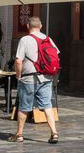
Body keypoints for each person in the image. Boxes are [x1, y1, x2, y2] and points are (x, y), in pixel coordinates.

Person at [12, 16, 60, 144]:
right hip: (46, 78)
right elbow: (56, 56)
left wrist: (18, 76)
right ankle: (54, 133)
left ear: (28, 26)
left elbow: (18, 61)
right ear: (41, 26)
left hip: (28, 78)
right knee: (47, 106)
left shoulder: (25, 40)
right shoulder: (48, 39)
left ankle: (19, 134)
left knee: (24, 107)